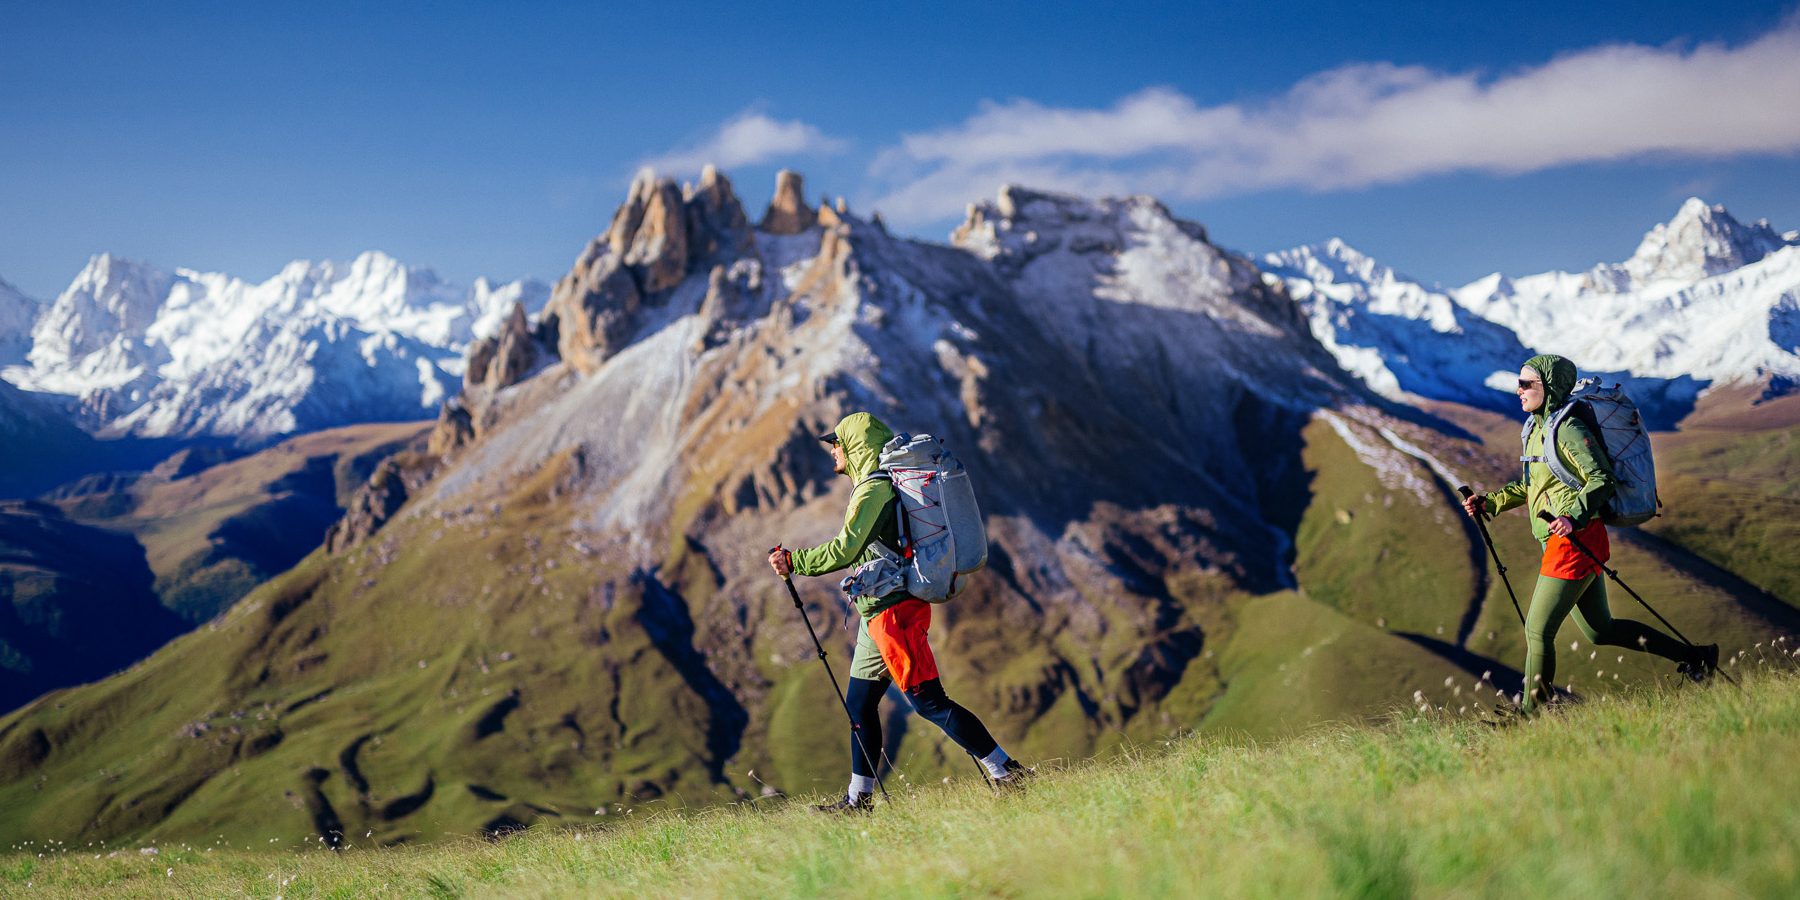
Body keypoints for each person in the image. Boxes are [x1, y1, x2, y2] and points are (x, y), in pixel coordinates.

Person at [768, 411, 1028, 812]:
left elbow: (846, 549)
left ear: (854, 447)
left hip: (894, 614)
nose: (832, 451)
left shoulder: (873, 491)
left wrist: (794, 561)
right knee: (859, 705)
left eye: (835, 443)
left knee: (928, 702)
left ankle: (1007, 772)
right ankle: (859, 802)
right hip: (878, 614)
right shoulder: (873, 488)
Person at [1461, 354, 1717, 714]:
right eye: (1517, 383)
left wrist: (1572, 516)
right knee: (1601, 630)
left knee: (1537, 632)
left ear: (1547, 388)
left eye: (1525, 384)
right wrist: (1489, 503)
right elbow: (1531, 485)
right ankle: (1696, 656)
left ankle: (1532, 714)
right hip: (1568, 539)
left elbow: (1601, 479)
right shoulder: (1536, 429)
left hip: (1574, 541)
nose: (1517, 390)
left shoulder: (1568, 429)